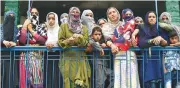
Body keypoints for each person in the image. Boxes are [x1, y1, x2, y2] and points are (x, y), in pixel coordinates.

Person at [58, 7, 91, 88]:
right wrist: (68, 41)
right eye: (73, 12)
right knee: (69, 83)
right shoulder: (64, 26)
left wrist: (80, 38)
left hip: (81, 59)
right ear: (69, 14)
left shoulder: (84, 28)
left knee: (82, 83)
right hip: (67, 59)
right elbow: (60, 42)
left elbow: (87, 42)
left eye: (77, 12)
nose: (75, 14)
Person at [135, 11, 169, 88]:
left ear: (156, 18)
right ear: (146, 18)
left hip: (158, 58)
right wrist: (153, 40)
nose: (151, 18)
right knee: (148, 81)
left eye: (153, 17)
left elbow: (166, 43)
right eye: (149, 17)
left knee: (159, 81)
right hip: (147, 58)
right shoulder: (142, 28)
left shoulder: (160, 28)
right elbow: (142, 43)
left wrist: (161, 39)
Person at [18, 8, 47, 88]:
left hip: (37, 56)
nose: (34, 15)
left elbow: (42, 40)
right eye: (32, 13)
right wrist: (24, 27)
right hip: (25, 57)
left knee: (36, 79)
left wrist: (31, 30)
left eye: (36, 13)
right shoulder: (22, 27)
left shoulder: (41, 27)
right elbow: (21, 41)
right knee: (25, 79)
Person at [112, 8, 140, 88]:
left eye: (129, 14)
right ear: (123, 16)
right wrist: (123, 41)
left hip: (130, 55)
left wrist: (133, 35)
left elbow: (135, 41)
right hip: (119, 55)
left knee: (132, 79)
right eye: (126, 14)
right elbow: (114, 39)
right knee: (119, 80)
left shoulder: (136, 26)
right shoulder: (118, 28)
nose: (128, 16)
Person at [1, 10, 19, 88]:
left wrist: (14, 43)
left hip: (13, 55)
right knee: (3, 75)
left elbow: (19, 40)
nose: (11, 18)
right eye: (9, 16)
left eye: (13, 16)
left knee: (13, 75)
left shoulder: (16, 28)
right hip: (2, 55)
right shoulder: (1, 27)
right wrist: (3, 41)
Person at [44, 12, 61, 88]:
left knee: (57, 74)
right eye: (49, 18)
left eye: (53, 18)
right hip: (47, 54)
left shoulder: (60, 29)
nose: (51, 20)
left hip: (57, 54)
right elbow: (41, 39)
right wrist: (46, 43)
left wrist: (53, 44)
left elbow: (61, 40)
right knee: (47, 73)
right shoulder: (44, 29)